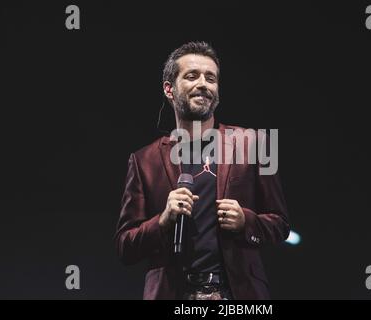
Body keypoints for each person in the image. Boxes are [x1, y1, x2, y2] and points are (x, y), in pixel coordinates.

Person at [115, 41, 290, 300]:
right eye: (191, 76)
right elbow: (124, 247)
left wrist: (246, 221)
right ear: (169, 89)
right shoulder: (143, 160)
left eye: (211, 78)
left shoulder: (255, 143)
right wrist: (162, 221)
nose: (203, 84)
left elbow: (281, 224)